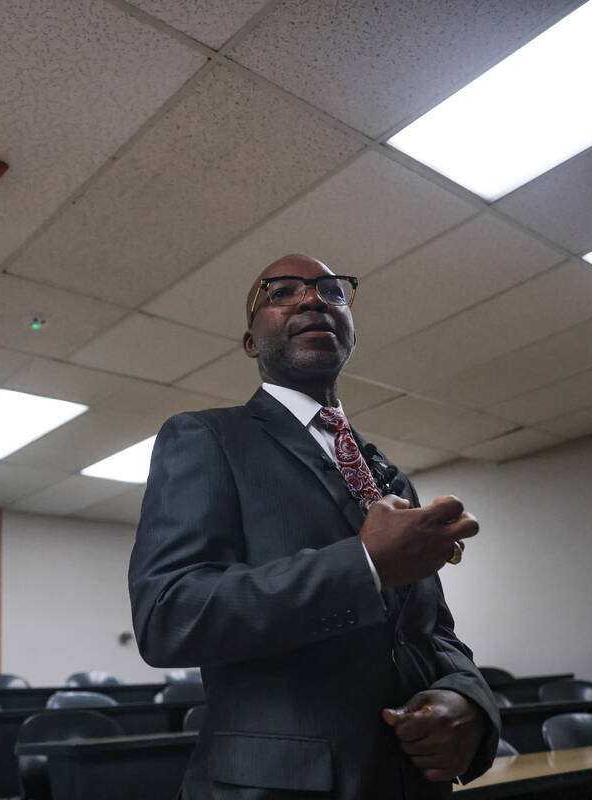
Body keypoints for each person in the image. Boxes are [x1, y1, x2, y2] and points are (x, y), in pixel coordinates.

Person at [128, 254, 500, 799]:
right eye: (280, 292)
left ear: (350, 332)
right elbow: (168, 615)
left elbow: (433, 631)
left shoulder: (388, 478)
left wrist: (468, 701)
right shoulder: (206, 438)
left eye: (332, 290)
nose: (311, 298)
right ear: (252, 342)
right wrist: (365, 564)